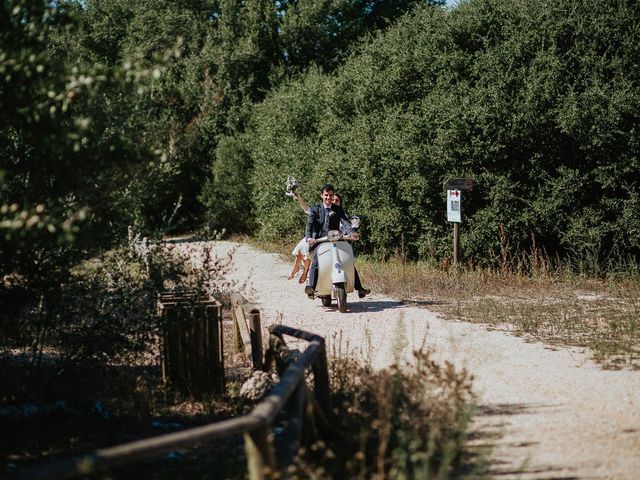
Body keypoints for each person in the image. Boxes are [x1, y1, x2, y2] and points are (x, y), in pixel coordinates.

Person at [304, 184, 369, 299]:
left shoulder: (337, 209)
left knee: (347, 261)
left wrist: (351, 233)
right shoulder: (315, 209)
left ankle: (359, 289)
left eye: (331, 195)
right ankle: (312, 289)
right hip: (320, 241)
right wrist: (309, 238)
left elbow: (345, 222)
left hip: (336, 239)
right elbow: (309, 225)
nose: (329, 198)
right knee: (315, 262)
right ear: (321, 195)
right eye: (326, 195)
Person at [332, 193, 370, 297]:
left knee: (349, 264)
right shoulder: (325, 214)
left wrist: (352, 234)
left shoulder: (343, 217)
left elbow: (349, 228)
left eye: (337, 201)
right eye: (333, 200)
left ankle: (360, 289)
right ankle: (314, 286)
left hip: (341, 245)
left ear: (340, 203)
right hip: (327, 243)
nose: (335, 202)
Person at [287, 189, 311, 283]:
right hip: (314, 237)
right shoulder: (319, 210)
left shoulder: (339, 214)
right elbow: (305, 208)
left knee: (305, 246)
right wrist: (298, 196)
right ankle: (297, 267)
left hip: (329, 238)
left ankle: (304, 269)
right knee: (302, 244)